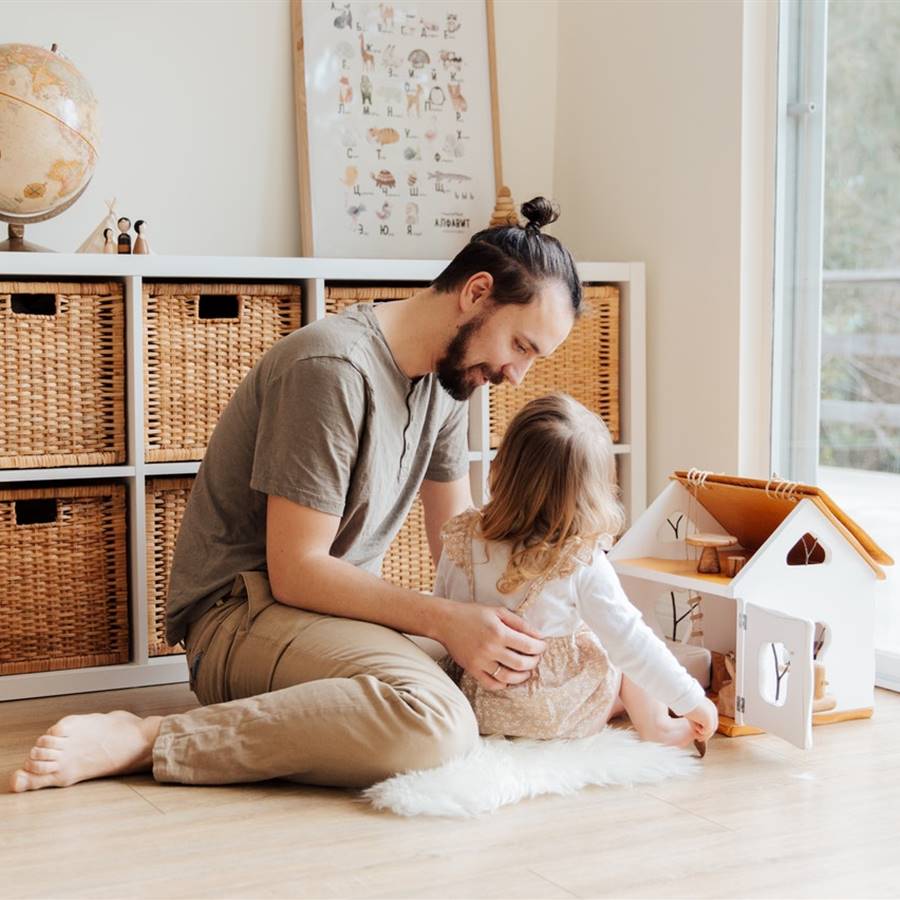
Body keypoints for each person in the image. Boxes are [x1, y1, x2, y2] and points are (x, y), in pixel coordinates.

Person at [10, 197, 584, 792]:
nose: (517, 375)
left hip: (333, 619)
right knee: (438, 724)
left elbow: (458, 547)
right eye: (521, 346)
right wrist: (448, 623)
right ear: (477, 292)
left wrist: (541, 611)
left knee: (514, 673)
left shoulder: (446, 381)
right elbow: (296, 571)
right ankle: (153, 738)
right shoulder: (333, 369)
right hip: (242, 617)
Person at [436, 393, 719, 752]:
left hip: (478, 703)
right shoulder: (579, 560)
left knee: (601, 639)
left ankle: (618, 706)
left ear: (501, 467)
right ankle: (657, 725)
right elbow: (633, 643)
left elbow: (443, 610)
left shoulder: (462, 537)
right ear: (593, 495)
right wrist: (693, 700)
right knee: (619, 643)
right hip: (554, 714)